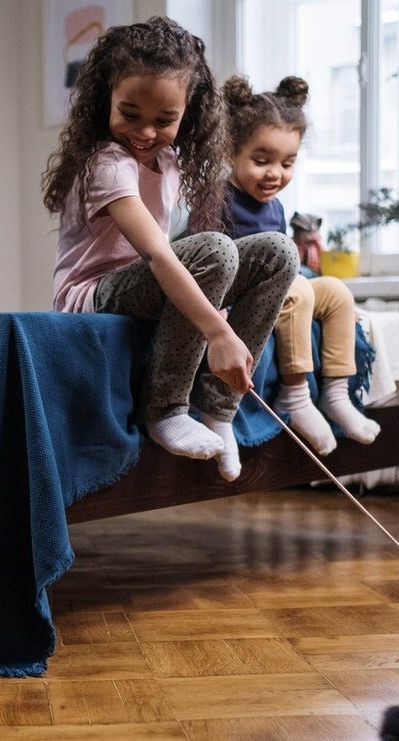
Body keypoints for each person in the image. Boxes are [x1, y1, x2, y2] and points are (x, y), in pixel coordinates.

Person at [43, 17, 297, 481]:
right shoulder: (107, 163)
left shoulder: (170, 162)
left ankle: (219, 410)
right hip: (92, 296)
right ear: (105, 101)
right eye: (130, 113)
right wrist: (216, 332)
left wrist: (211, 306)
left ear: (188, 113)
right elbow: (162, 255)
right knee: (215, 250)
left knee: (277, 252)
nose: (144, 132)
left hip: (144, 285)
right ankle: (165, 408)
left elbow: (179, 255)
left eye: (164, 120)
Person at [222, 74, 380, 455]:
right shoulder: (220, 200)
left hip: (282, 286)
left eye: (287, 163)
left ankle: (336, 394)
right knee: (296, 290)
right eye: (262, 161)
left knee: (336, 292)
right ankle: (295, 396)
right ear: (231, 152)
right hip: (247, 297)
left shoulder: (275, 207)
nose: (276, 173)